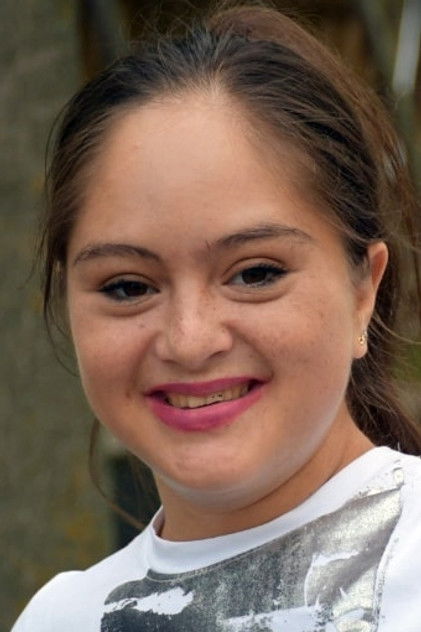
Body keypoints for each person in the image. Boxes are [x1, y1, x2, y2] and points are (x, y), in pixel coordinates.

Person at [12, 3, 421, 631]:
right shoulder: (62, 619)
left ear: (364, 287)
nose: (190, 340)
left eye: (255, 274)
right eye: (128, 286)